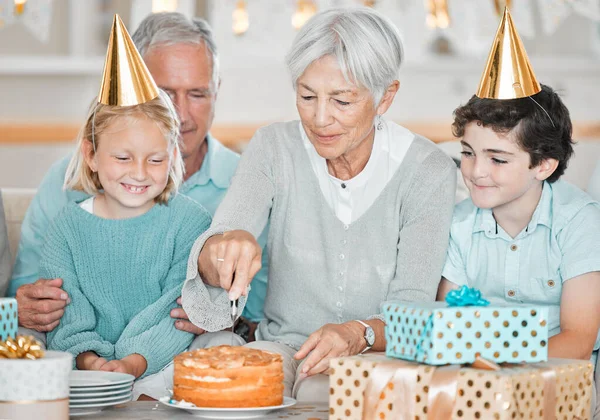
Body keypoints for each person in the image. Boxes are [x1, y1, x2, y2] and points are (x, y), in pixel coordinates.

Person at [181, 7, 456, 402]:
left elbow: (413, 312)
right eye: (306, 96)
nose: (320, 118)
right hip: (282, 345)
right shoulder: (274, 147)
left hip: (375, 354)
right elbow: (221, 239)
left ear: (385, 97)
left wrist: (357, 334)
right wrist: (220, 249)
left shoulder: (426, 170)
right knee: (238, 388)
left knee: (319, 392)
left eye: (342, 101)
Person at [8, 12, 268, 341]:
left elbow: (263, 319)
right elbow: (21, 296)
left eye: (198, 94)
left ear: (217, 91)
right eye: (164, 93)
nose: (181, 115)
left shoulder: (247, 183)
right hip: (82, 348)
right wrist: (26, 306)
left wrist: (224, 320)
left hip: (184, 358)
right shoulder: (67, 182)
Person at [41, 15, 211, 399]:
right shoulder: (67, 229)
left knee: (217, 346)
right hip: (87, 369)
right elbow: (67, 314)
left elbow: (179, 312)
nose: (139, 174)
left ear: (172, 156)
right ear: (92, 155)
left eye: (155, 159)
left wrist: (133, 363)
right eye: (122, 158)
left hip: (167, 366)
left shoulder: (190, 223)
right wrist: (90, 360)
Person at [437, 8, 600, 366]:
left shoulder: (578, 221)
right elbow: (448, 320)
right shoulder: (459, 225)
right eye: (468, 152)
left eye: (497, 159)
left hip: (555, 380)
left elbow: (578, 341)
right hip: (476, 377)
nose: (476, 171)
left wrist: (500, 361)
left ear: (543, 165)